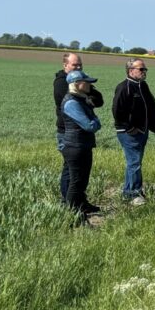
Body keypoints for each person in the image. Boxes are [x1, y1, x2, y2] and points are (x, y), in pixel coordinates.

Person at [53, 52, 103, 201]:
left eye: (80, 64)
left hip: (80, 138)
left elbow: (99, 100)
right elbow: (88, 122)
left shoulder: (81, 85)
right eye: (75, 65)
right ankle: (68, 203)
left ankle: (79, 203)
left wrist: (88, 100)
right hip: (69, 134)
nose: (78, 67)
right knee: (72, 174)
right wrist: (90, 108)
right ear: (65, 65)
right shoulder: (62, 84)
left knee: (79, 177)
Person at [111, 58, 155, 205]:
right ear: (131, 70)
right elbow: (117, 110)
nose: (144, 72)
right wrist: (129, 127)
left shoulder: (143, 86)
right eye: (141, 69)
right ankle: (134, 194)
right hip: (129, 132)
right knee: (134, 163)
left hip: (142, 130)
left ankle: (128, 190)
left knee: (134, 162)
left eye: (145, 69)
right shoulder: (124, 87)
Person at [59, 69, 102, 222]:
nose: (90, 85)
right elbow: (90, 125)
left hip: (82, 145)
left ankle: (79, 210)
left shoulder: (79, 99)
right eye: (87, 82)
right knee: (76, 183)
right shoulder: (71, 102)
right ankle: (75, 216)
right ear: (77, 84)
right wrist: (96, 120)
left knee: (81, 181)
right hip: (75, 146)